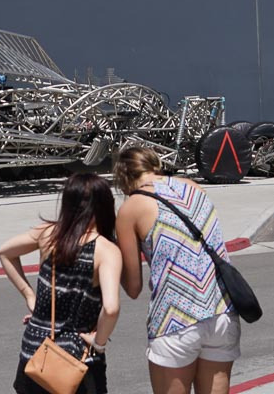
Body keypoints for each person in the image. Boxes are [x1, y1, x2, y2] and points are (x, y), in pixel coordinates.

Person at [113, 146, 239, 394]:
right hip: (222, 310)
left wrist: (115, 251)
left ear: (123, 177)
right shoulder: (194, 187)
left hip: (175, 318)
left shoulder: (131, 208)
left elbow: (133, 287)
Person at [0, 172, 123, 394]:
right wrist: (99, 342)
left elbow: (5, 252)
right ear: (104, 206)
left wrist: (30, 296)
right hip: (75, 360)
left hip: (35, 354)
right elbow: (111, 309)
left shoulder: (48, 234)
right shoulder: (106, 250)